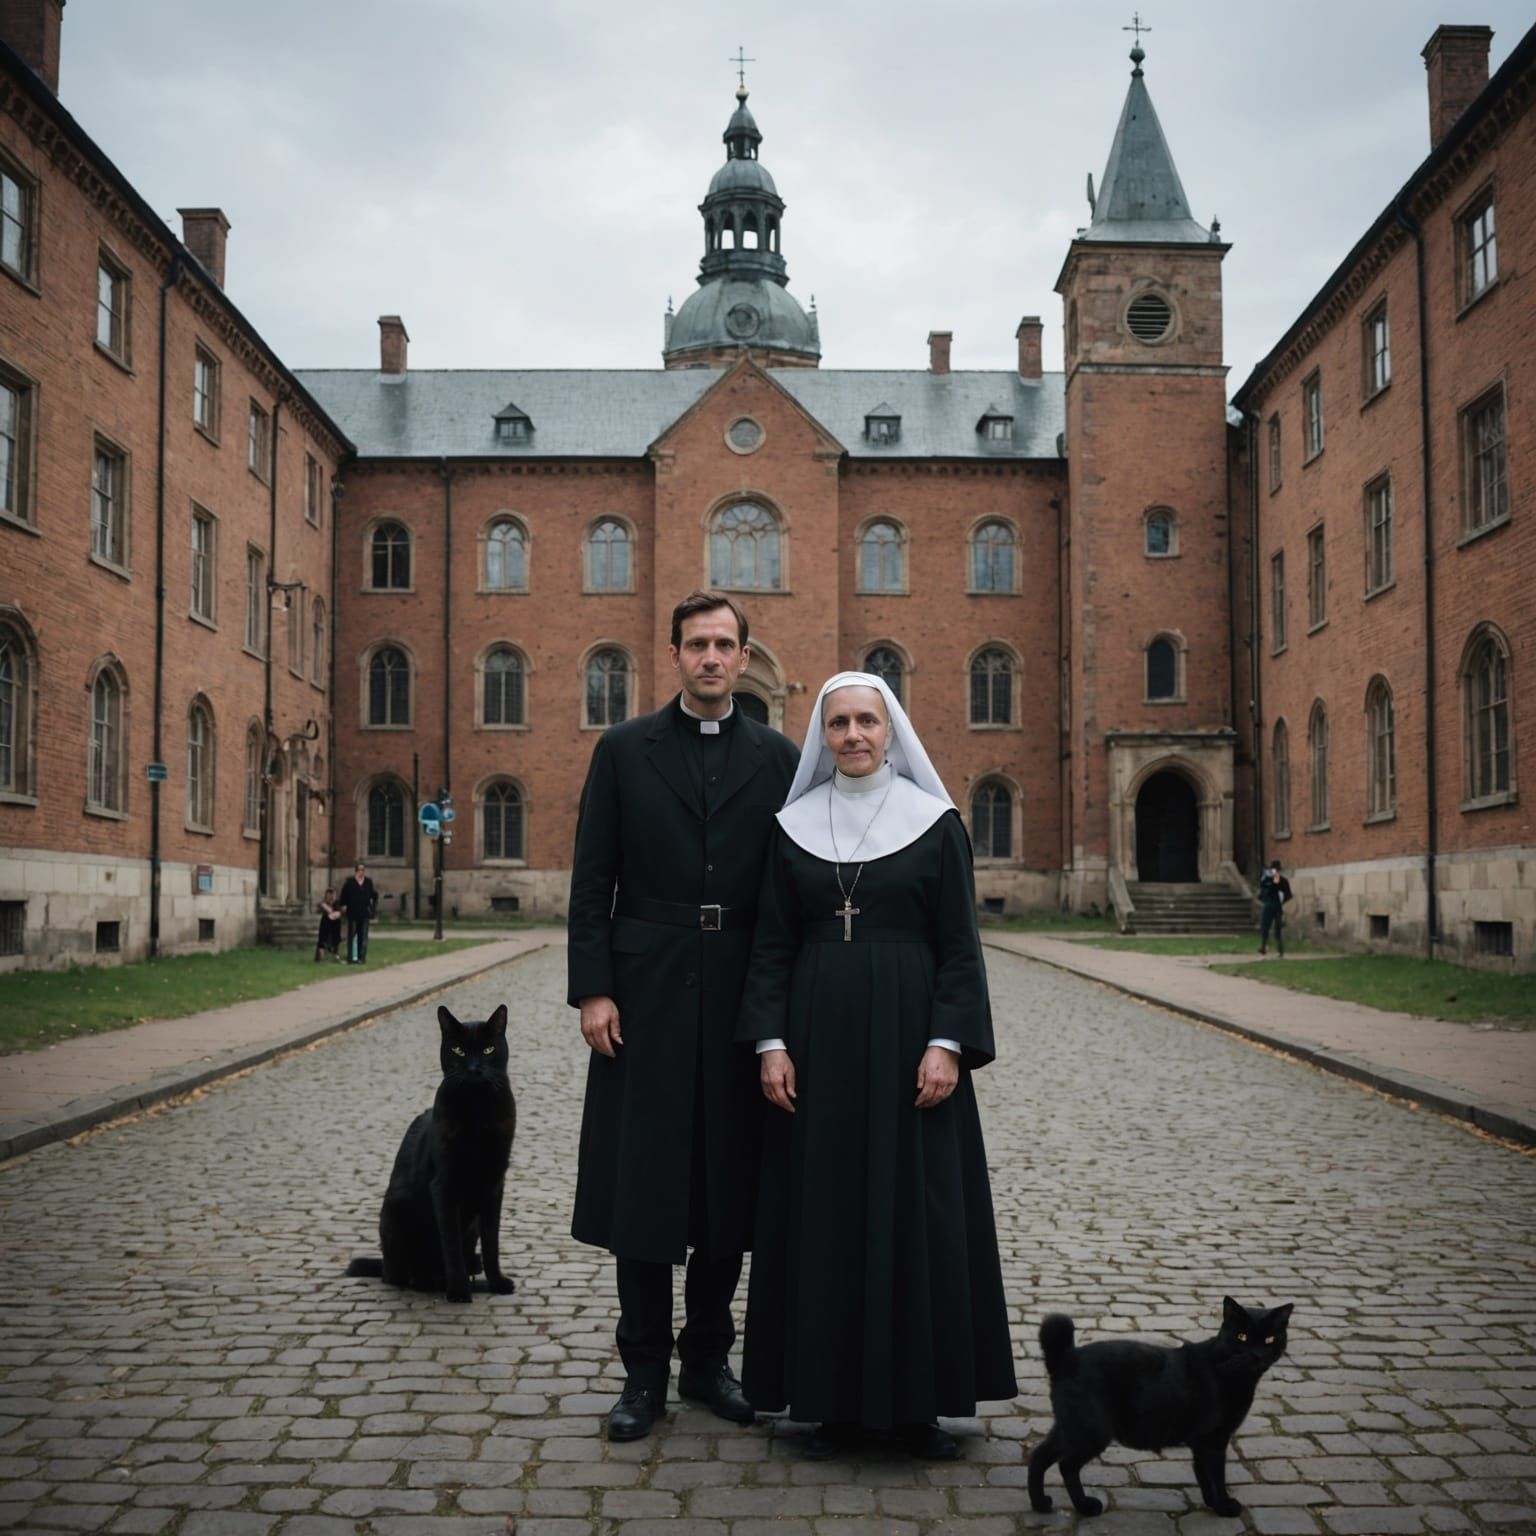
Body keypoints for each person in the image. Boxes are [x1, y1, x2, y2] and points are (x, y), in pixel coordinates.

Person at [737, 672, 1017, 1460]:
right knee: (821, 1213)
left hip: (909, 1044)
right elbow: (770, 947)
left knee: (913, 1214)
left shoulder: (934, 824)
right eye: (838, 725)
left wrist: (947, 1042)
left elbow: (960, 948)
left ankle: (915, 1408)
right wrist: (769, 1043)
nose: (853, 736)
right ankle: (826, 1403)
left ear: (890, 728)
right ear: (821, 736)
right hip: (814, 1044)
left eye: (867, 721)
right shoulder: (791, 825)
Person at [568, 591, 799, 1442]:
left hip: (740, 988)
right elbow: (594, 878)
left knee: (726, 1188)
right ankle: (642, 1375)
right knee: (648, 1187)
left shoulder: (779, 758)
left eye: (725, 645)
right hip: (646, 996)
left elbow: (790, 891)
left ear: (744, 658)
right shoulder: (625, 751)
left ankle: (707, 1360)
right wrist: (594, 988)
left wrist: (783, 1011)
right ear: (674, 654)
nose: (710, 658)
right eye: (697, 643)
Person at [339, 861, 377, 964]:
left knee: (363, 936)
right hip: (353, 913)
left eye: (363, 870)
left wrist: (372, 909)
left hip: (364, 913)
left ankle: (361, 957)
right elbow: (343, 896)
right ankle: (351, 957)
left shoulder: (368, 882)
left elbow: (373, 895)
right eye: (359, 870)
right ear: (356, 871)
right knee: (352, 936)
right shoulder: (350, 882)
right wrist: (344, 906)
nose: (361, 872)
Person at [1258, 858, 1293, 956]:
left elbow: (1262, 891)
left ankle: (1268, 947)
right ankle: (1270, 948)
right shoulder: (1273, 879)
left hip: (1272, 905)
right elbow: (1288, 895)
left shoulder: (1275, 879)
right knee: (1273, 927)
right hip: (1274, 905)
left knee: (1269, 926)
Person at [314, 887, 343, 962]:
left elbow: (335, 914)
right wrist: (324, 906)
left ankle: (335, 956)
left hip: (335, 926)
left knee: (335, 941)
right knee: (322, 941)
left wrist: (327, 908)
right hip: (325, 925)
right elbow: (319, 907)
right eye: (328, 897)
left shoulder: (337, 904)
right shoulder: (323, 904)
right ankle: (319, 957)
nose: (331, 899)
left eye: (332, 897)